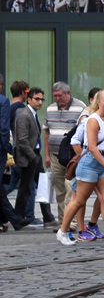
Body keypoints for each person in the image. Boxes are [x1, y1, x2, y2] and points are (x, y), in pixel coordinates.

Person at [54, 90, 104, 246]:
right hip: (90, 162)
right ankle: (62, 232)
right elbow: (91, 147)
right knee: (79, 200)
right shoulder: (92, 120)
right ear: (98, 102)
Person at [43, 82, 86, 228]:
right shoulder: (50, 109)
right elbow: (47, 133)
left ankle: (71, 222)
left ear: (68, 93)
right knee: (60, 190)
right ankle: (63, 221)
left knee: (70, 188)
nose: (57, 99)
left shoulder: (80, 107)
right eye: (55, 96)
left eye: (59, 96)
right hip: (55, 156)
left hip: (71, 156)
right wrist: (46, 155)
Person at [12, 84, 46, 226]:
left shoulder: (33, 114)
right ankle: (18, 218)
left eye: (42, 99)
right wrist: (33, 157)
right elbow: (22, 140)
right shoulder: (24, 115)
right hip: (29, 156)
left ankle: (47, 216)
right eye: (37, 99)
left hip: (34, 155)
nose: (40, 102)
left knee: (40, 185)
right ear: (29, 99)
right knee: (25, 188)